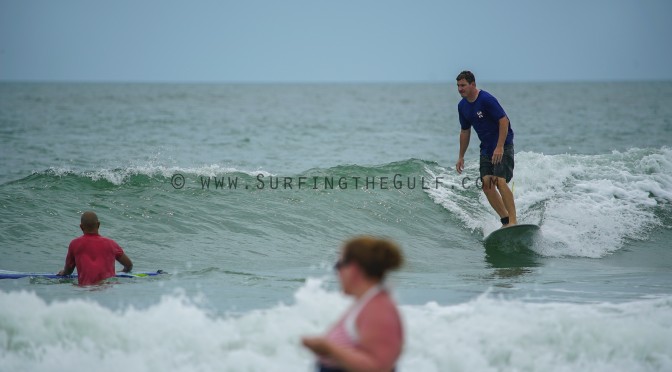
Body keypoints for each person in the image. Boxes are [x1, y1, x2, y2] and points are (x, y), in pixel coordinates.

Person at [302, 236, 404, 372]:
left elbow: (379, 366)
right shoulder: (367, 303)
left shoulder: (378, 310)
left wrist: (328, 348)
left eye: (338, 265)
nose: (336, 272)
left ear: (354, 269)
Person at [455, 70, 517, 227]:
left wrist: (500, 147)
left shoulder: (487, 99)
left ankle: (513, 221)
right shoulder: (462, 106)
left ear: (473, 84)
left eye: (463, 85)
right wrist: (461, 156)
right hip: (486, 149)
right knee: (486, 184)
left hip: (503, 145)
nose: (460, 89)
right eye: (458, 86)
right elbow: (465, 131)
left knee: (499, 181)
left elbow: (504, 121)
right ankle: (505, 220)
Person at [57, 211, 133, 286]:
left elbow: (69, 270)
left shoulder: (74, 244)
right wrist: (123, 272)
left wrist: (64, 272)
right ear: (98, 225)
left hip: (85, 289)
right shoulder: (111, 244)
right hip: (107, 289)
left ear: (81, 227)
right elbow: (129, 265)